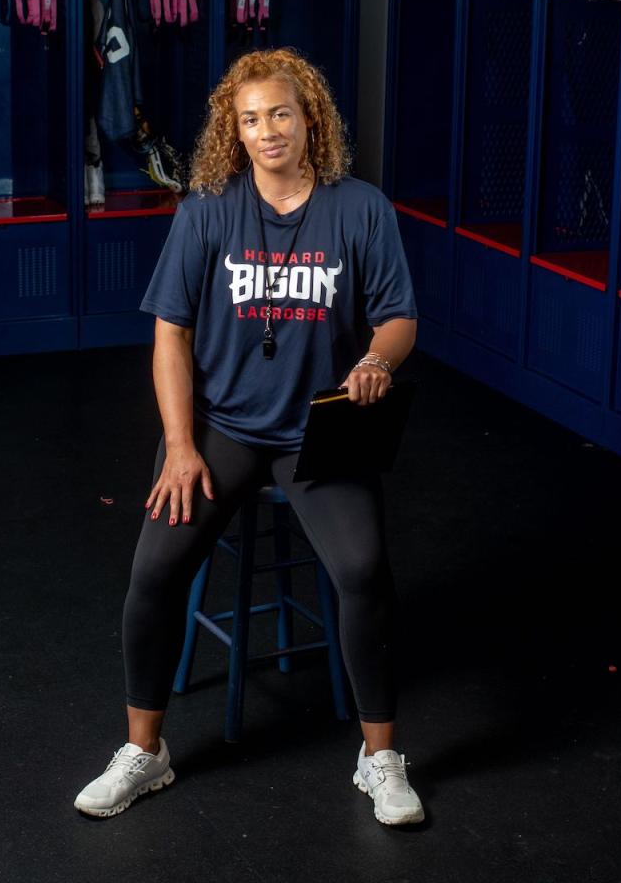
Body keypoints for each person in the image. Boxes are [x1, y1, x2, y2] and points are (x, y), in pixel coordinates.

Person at [73, 48, 424, 826]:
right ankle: (146, 752)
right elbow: (170, 332)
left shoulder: (361, 208)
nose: (267, 132)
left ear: (311, 121)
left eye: (281, 115)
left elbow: (399, 317)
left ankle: (381, 759)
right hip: (222, 428)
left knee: (365, 570)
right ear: (234, 131)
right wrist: (180, 442)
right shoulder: (207, 208)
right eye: (251, 119)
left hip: (318, 428)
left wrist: (374, 359)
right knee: (154, 569)